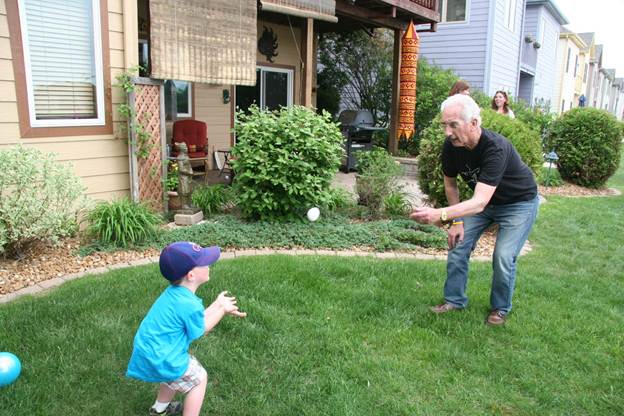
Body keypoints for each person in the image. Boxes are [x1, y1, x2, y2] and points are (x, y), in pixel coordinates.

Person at [410, 94, 538, 326]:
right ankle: (454, 300)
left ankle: (500, 308)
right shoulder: (451, 146)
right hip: (486, 203)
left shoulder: (496, 148)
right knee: (458, 244)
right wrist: (456, 223)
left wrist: (441, 215)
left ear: (474, 123)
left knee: (503, 256)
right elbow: (450, 183)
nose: (447, 132)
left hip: (518, 203)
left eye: (453, 125)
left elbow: (478, 202)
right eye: (444, 125)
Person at [127, 242, 247, 416]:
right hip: (164, 357)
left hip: (153, 351)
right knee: (199, 379)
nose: (209, 265)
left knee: (173, 377)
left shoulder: (175, 294)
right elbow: (201, 329)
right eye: (205, 263)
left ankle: (159, 409)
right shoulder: (188, 304)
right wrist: (222, 309)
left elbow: (196, 321)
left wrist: (217, 304)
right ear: (191, 275)